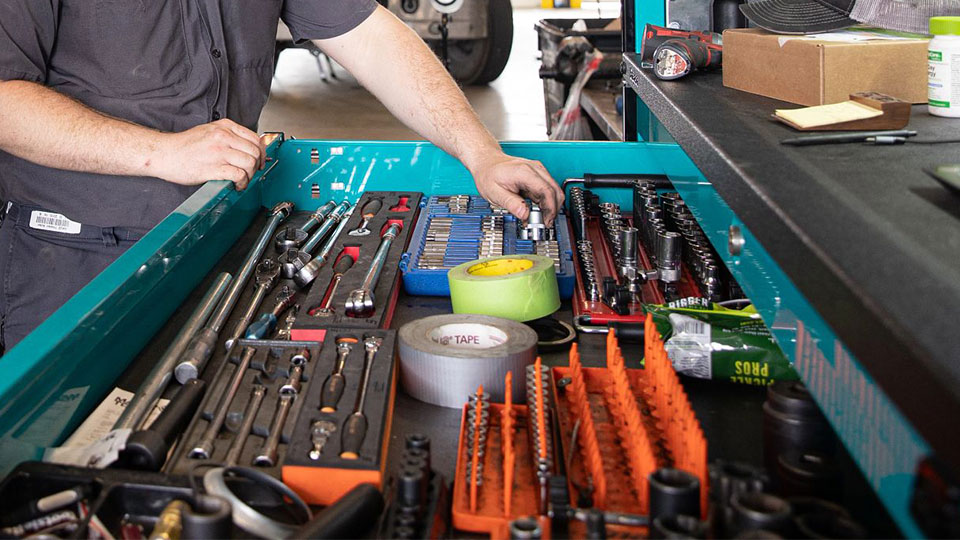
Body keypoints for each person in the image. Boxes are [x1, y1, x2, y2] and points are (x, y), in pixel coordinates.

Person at [0, 1, 564, 352]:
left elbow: (370, 36)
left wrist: (481, 153)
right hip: (73, 262)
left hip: (218, 238)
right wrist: (160, 153)